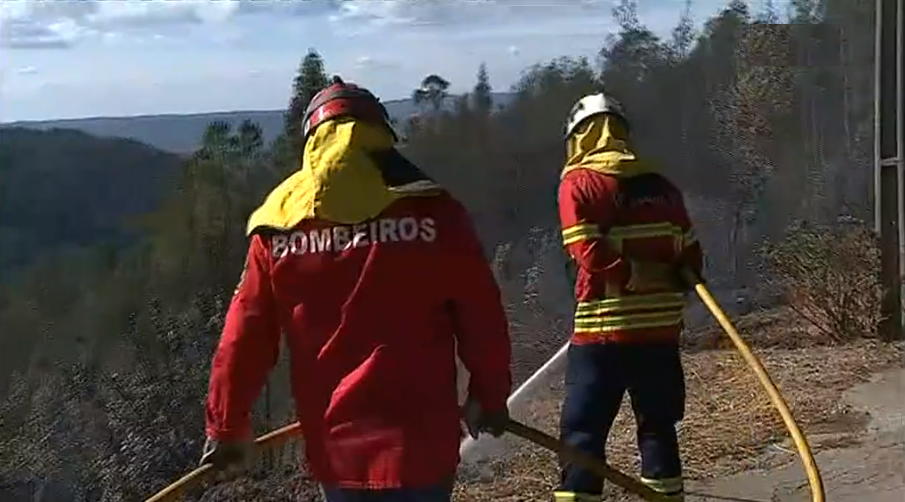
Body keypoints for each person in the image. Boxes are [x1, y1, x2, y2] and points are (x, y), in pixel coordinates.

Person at [200, 76, 513, 502]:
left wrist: (226, 427)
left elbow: (244, 337)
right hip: (424, 448)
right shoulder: (437, 213)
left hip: (336, 453)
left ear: (311, 139)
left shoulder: (277, 225)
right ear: (382, 135)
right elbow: (483, 315)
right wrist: (489, 396)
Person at [554, 92, 704, 502]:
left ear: (579, 137)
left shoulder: (579, 183)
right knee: (657, 428)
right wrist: (665, 276)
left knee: (583, 433)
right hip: (659, 335)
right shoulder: (663, 188)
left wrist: (632, 275)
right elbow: (691, 258)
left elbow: (588, 253)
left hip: (603, 335)